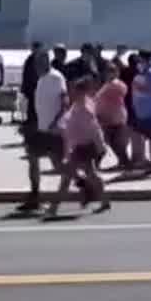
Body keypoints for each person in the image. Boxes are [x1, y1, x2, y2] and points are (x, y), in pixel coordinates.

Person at [46, 77, 110, 219]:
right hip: (80, 146)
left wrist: (101, 146)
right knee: (91, 175)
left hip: (84, 147)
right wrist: (57, 129)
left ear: (83, 92)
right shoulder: (78, 105)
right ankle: (104, 201)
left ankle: (53, 208)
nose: (72, 93)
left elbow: (95, 129)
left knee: (67, 177)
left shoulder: (86, 108)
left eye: (76, 91)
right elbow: (67, 121)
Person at [20, 54, 67, 212]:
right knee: (33, 160)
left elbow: (64, 102)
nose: (37, 67)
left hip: (53, 130)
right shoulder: (40, 79)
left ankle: (85, 184)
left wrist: (57, 123)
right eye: (35, 64)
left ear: (47, 62)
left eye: (40, 63)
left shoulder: (56, 78)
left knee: (59, 166)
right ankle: (35, 197)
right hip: (39, 129)